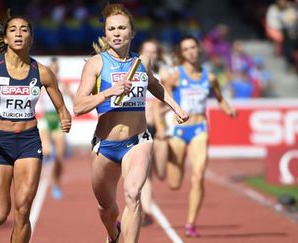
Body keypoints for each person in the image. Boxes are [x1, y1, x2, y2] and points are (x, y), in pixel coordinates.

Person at [73, 4, 188, 243]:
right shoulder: (96, 64)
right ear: (105, 34)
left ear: (132, 32)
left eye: (121, 28)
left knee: (133, 194)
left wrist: (176, 107)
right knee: (106, 208)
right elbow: (78, 106)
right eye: (111, 28)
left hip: (137, 142)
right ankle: (113, 233)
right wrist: (109, 92)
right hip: (104, 146)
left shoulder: (142, 62)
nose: (116, 32)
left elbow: (155, 86)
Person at [0, 11, 71, 243]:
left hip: (29, 142)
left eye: (24, 30)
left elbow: (61, 106)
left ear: (30, 38)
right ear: (6, 38)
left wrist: (64, 117)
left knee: (23, 211)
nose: (19, 33)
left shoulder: (43, 72)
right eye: (13, 30)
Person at [162, 35, 236, 237]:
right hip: (179, 131)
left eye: (193, 47)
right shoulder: (176, 75)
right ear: (181, 54)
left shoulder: (209, 77)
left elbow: (220, 98)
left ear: (199, 50)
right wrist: (169, 110)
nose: (191, 52)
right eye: (186, 49)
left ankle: (190, 223)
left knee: (198, 175)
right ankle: (173, 165)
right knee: (174, 184)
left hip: (199, 129)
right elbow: (163, 92)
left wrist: (228, 109)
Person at [138, 39, 173, 226]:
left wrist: (157, 111)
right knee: (145, 172)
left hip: (159, 128)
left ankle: (172, 158)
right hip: (141, 128)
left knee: (160, 172)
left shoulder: (163, 73)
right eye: (147, 51)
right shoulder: (135, 71)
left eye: (153, 52)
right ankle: (147, 211)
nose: (150, 55)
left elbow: (172, 100)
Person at [38, 56, 73, 199]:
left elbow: (74, 99)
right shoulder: (41, 83)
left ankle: (56, 183)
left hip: (58, 121)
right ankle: (44, 160)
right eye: (51, 68)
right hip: (46, 119)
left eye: (56, 68)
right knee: (46, 150)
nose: (54, 70)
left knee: (59, 158)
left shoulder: (62, 84)